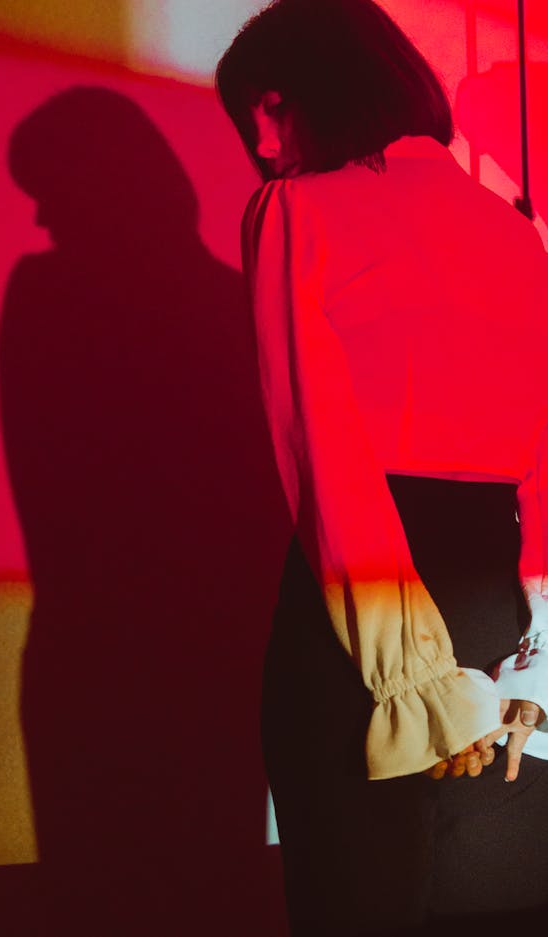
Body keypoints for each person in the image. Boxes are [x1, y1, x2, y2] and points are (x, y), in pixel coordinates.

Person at [216, 1, 548, 934]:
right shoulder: (510, 227)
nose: (259, 133)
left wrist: (411, 677)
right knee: (499, 900)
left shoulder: (294, 209)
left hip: (363, 614)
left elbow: (322, 447)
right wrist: (536, 659)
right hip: (497, 608)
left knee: (357, 899)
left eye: (272, 103)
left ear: (330, 88)